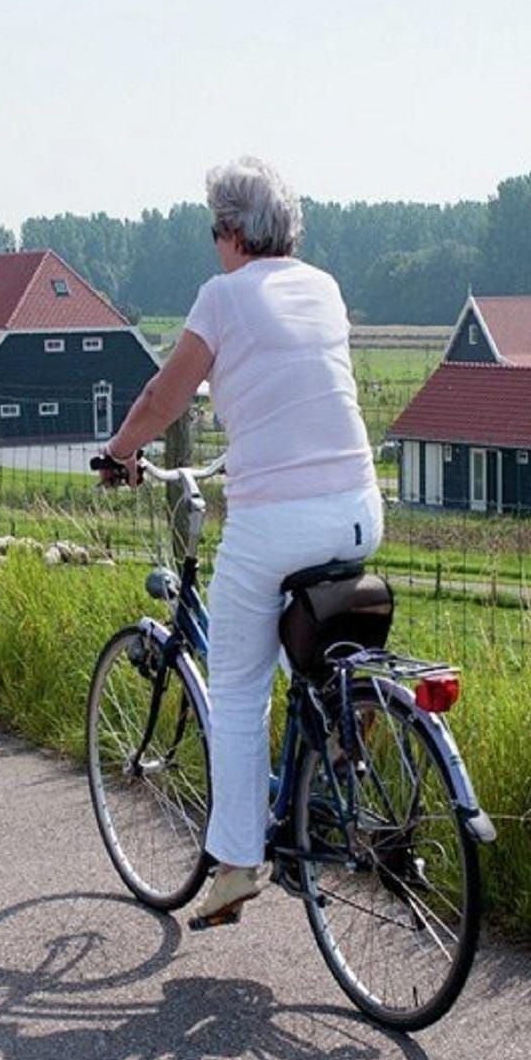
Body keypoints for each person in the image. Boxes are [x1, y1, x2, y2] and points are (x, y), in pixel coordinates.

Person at [97, 157, 381, 925]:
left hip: (277, 520)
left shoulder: (222, 298)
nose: (213, 246)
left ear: (230, 231)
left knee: (236, 689)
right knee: (307, 657)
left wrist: (120, 453)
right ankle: (336, 738)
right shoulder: (324, 287)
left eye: (213, 231)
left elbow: (166, 393)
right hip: (357, 507)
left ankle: (238, 862)